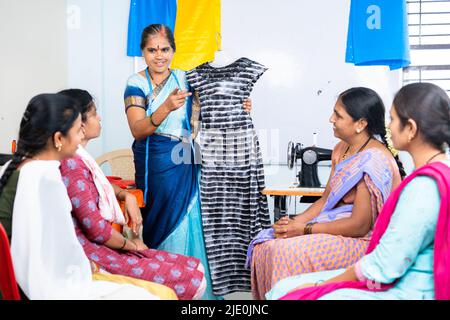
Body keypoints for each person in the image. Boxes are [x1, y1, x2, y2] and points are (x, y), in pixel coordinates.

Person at [269, 82, 450, 300]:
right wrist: (298, 224)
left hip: (408, 288)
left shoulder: (423, 188)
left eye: (393, 119)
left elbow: (384, 264)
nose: (388, 127)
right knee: (285, 285)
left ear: (410, 128)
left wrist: (320, 285)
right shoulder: (434, 175)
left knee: (290, 292)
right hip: (400, 276)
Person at [123, 24, 251, 299]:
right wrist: (166, 106)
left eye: (165, 49)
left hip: (187, 155)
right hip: (156, 160)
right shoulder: (136, 83)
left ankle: (196, 290)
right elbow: (138, 129)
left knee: (194, 217)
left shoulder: (186, 78)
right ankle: (164, 287)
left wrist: (241, 105)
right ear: (143, 52)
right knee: (163, 219)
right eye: (152, 50)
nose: (159, 56)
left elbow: (217, 106)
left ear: (173, 50)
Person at [248, 87, 404, 299]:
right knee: (268, 244)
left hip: (365, 242)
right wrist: (291, 225)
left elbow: (359, 226)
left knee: (283, 252)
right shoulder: (342, 149)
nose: (331, 119)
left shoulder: (374, 160)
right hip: (338, 228)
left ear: (361, 124)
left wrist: (304, 229)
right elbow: (324, 200)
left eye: (338, 115)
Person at [0, 94, 157, 299]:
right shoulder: (45, 176)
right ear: (58, 139)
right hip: (35, 285)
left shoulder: (18, 167)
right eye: (77, 131)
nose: (80, 138)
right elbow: (52, 255)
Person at [58, 89, 206, 300]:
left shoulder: (80, 160)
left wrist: (126, 196)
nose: (99, 117)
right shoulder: (72, 164)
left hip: (101, 245)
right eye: (94, 113)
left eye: (165, 51)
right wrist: (133, 245)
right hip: (91, 253)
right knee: (194, 278)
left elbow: (101, 186)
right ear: (79, 123)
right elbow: (96, 229)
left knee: (195, 266)